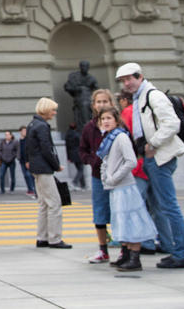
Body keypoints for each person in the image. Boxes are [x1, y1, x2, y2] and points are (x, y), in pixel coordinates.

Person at [117, 62, 184, 269]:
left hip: (160, 156)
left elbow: (172, 123)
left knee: (169, 206)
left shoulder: (153, 95)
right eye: (123, 81)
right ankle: (176, 250)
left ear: (139, 76)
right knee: (162, 205)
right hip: (152, 157)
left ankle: (182, 253)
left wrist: (153, 144)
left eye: (129, 79)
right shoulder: (141, 96)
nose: (127, 83)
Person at [98, 108, 156, 273]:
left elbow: (131, 162)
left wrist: (115, 177)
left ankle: (134, 256)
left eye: (109, 118)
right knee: (121, 220)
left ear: (116, 120)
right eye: (103, 119)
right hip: (115, 187)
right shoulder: (109, 138)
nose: (105, 121)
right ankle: (126, 254)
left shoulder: (121, 137)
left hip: (125, 186)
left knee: (131, 220)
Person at [26, 97, 70, 249]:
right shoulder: (42, 126)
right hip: (44, 168)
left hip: (36, 168)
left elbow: (28, 148)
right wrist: (56, 165)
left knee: (43, 204)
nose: (55, 113)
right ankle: (55, 238)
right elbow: (47, 148)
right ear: (45, 110)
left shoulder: (32, 124)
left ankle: (42, 237)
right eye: (53, 109)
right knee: (54, 203)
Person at [81, 89, 116, 263]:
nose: (102, 105)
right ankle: (103, 249)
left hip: (118, 177)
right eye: (98, 102)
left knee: (119, 211)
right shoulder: (89, 127)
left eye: (105, 101)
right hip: (98, 176)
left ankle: (125, 248)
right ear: (93, 105)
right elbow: (82, 150)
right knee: (100, 212)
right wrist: (92, 160)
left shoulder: (118, 126)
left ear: (111, 103)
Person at [65, 61, 99, 129]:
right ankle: (85, 126)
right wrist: (77, 89)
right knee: (84, 106)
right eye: (83, 66)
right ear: (80, 67)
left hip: (88, 98)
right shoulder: (74, 76)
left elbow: (96, 89)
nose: (84, 68)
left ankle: (89, 125)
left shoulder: (91, 78)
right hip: (79, 99)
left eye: (86, 66)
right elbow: (68, 87)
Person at [65, 122, 85, 189]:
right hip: (78, 154)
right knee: (81, 169)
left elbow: (67, 147)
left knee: (79, 169)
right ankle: (75, 182)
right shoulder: (77, 135)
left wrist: (68, 157)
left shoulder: (67, 135)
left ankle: (83, 185)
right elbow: (81, 145)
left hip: (72, 155)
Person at [18, 125, 36, 198]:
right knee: (25, 175)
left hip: (29, 161)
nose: (24, 132)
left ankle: (34, 189)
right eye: (23, 131)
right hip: (22, 161)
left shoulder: (28, 140)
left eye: (25, 131)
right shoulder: (19, 141)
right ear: (20, 132)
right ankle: (30, 189)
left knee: (30, 175)